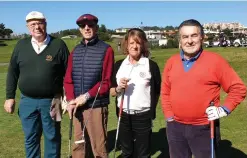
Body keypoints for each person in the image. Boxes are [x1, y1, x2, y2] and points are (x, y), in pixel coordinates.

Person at [161, 19, 246, 158]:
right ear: (180, 40)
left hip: (204, 128)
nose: (189, 41)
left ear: (202, 37)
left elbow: (238, 88)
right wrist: (169, 116)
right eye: (185, 37)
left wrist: (224, 109)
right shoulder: (172, 62)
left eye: (194, 35)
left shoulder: (215, 61)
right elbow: (165, 92)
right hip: (175, 127)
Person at [4, 11, 70, 158]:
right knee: (30, 138)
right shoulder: (21, 45)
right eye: (32, 24)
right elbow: (13, 72)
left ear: (45, 24)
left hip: (53, 100)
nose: (37, 27)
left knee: (52, 137)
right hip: (27, 101)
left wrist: (69, 97)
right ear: (28, 27)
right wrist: (10, 97)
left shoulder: (58, 44)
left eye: (40, 23)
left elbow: (69, 73)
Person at [63, 13, 115, 158]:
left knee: (98, 148)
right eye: (82, 26)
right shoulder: (75, 51)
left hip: (96, 106)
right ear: (79, 30)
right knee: (79, 147)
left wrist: (85, 96)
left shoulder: (106, 49)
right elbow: (68, 79)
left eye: (90, 25)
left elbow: (105, 82)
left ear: (96, 28)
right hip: (77, 107)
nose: (86, 28)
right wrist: (71, 101)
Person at [110, 28, 161, 158]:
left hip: (143, 115)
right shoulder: (119, 65)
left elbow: (156, 92)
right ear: (126, 44)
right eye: (132, 43)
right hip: (123, 115)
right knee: (126, 152)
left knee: (143, 154)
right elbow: (112, 91)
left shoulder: (151, 65)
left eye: (138, 43)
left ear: (143, 44)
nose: (135, 46)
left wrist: (150, 112)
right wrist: (119, 88)